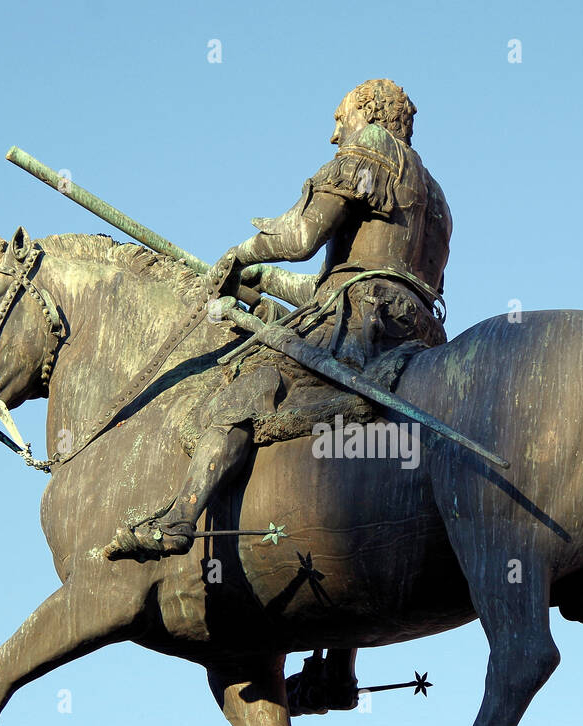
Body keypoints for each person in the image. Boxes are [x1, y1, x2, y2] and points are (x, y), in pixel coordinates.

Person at [109, 77, 452, 562]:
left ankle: (181, 518)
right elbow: (331, 282)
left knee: (246, 382)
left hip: (360, 324)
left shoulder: (370, 149)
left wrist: (240, 254)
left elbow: (300, 238)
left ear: (369, 112)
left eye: (340, 119)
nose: (336, 135)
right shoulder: (434, 194)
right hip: (414, 329)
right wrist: (263, 281)